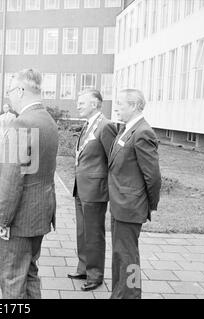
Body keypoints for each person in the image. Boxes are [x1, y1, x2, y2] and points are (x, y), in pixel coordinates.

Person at [0, 69, 59, 298]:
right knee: (29, 273)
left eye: (9, 91)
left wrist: (2, 220)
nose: (8, 96)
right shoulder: (46, 120)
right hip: (39, 213)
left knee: (12, 280)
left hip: (18, 219)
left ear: (20, 91)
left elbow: (11, 180)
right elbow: (28, 161)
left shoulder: (22, 124)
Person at [109, 89, 161, 299]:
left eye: (120, 103)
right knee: (120, 256)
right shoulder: (127, 129)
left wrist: (149, 205)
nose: (116, 107)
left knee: (128, 257)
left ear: (133, 105)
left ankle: (130, 296)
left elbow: (153, 176)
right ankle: (120, 293)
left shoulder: (143, 132)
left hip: (130, 206)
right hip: (120, 204)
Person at [68, 90, 117, 291]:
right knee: (82, 231)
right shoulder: (89, 125)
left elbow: (114, 160)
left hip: (95, 190)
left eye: (82, 103)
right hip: (81, 187)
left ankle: (95, 275)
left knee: (94, 234)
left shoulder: (105, 126)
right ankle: (84, 267)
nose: (77, 106)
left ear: (95, 104)